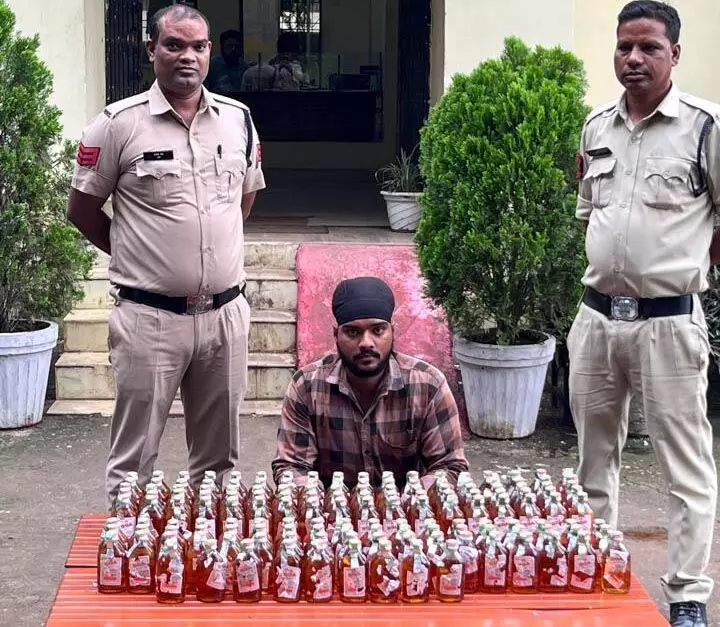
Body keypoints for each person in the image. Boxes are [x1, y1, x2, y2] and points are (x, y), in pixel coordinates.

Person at [67, 5, 266, 506]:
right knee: (134, 460)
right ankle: (129, 546)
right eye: (174, 45)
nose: (187, 57)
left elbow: (243, 200)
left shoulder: (238, 121)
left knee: (219, 463)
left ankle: (210, 547)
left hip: (225, 317)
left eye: (198, 46)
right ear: (151, 50)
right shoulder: (118, 124)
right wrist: (140, 256)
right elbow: (82, 209)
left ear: (210, 52)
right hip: (149, 318)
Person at [569, 3, 718, 626]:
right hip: (597, 320)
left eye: (649, 47)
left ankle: (687, 596)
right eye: (624, 47)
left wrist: (691, 270)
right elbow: (587, 213)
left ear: (674, 54)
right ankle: (598, 573)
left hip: (669, 324)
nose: (634, 58)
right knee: (592, 460)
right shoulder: (595, 128)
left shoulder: (706, 128)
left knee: (685, 466)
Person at [272, 276, 470, 489]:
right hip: (329, 507)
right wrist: (317, 497)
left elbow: (449, 466)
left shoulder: (428, 385)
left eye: (377, 330)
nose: (366, 343)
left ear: (392, 331)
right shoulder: (306, 387)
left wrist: (413, 496)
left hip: (409, 505)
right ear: (336, 334)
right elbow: (291, 467)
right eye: (353, 332)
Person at [205, 29, 249, 93]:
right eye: (229, 46)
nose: (233, 49)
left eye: (236, 46)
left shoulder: (243, 66)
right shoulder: (211, 65)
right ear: (222, 47)